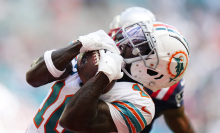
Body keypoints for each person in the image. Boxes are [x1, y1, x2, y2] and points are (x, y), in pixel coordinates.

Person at [25, 19, 189, 132]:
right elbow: (33, 78)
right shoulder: (99, 49)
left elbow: (71, 121)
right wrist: (79, 44)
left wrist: (104, 75)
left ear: (153, 70)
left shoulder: (140, 105)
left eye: (142, 44)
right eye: (136, 33)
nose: (129, 40)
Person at [109, 7, 195, 133]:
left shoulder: (164, 85)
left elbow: (178, 120)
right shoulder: (100, 60)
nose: (120, 43)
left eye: (135, 39)